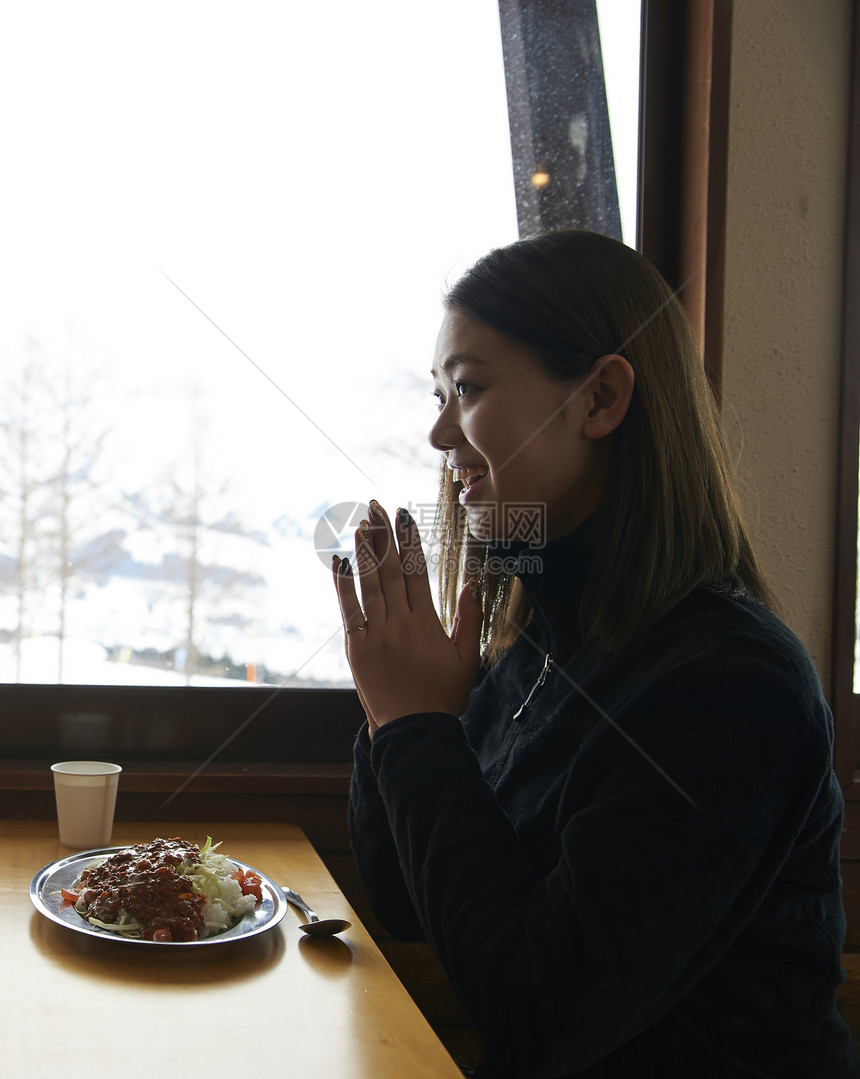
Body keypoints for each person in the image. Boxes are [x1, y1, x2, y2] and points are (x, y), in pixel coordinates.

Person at [331, 229, 859, 1077]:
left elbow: (540, 1015)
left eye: (465, 387)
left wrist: (417, 723)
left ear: (601, 398)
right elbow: (402, 897)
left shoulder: (732, 687)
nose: (437, 433)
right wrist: (390, 707)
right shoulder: (538, 640)